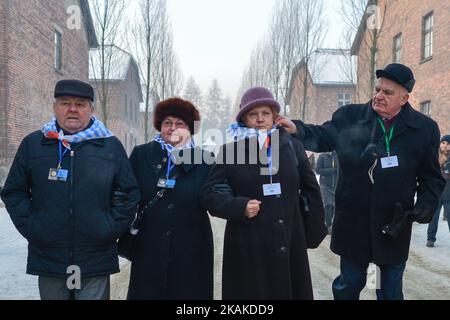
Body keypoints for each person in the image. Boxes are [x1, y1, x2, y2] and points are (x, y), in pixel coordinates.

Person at [291, 63, 445, 300]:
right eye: (378, 89)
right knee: (350, 283)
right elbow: (323, 136)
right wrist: (297, 129)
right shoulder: (351, 117)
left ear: (404, 98)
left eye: (388, 93)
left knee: (387, 288)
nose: (379, 96)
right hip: (354, 222)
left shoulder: (424, 129)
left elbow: (431, 177)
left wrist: (425, 204)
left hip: (392, 224)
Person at [0, 80, 140, 300]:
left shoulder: (110, 146)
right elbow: (13, 191)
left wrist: (109, 228)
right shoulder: (34, 144)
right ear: (55, 107)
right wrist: (34, 227)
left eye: (80, 104)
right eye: (65, 103)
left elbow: (128, 193)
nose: (72, 109)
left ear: (91, 110)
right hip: (50, 258)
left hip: (95, 257)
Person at [200, 87, 326, 300]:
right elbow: (210, 193)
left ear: (274, 117)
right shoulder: (231, 151)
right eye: (253, 114)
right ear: (244, 119)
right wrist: (238, 206)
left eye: (265, 113)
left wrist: (311, 231)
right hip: (248, 243)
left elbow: (311, 188)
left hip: (288, 238)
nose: (260, 119)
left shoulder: (293, 146)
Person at [126, 98, 214, 300]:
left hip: (192, 248)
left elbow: (216, 196)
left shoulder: (205, 159)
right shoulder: (141, 155)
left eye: (180, 123)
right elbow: (126, 194)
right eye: (168, 123)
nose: (173, 128)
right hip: (149, 246)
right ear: (160, 125)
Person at [426, 135, 450, 247]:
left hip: (448, 194)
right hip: (435, 193)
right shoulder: (434, 156)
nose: (445, 146)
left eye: (448, 144)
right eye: (443, 143)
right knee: (433, 217)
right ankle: (430, 239)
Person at [316, 151, 339, 234]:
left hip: (336, 185)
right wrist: (331, 170)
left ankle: (330, 224)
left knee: (333, 206)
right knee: (327, 205)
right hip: (325, 185)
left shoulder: (337, 156)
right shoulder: (322, 156)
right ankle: (328, 225)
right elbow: (318, 170)